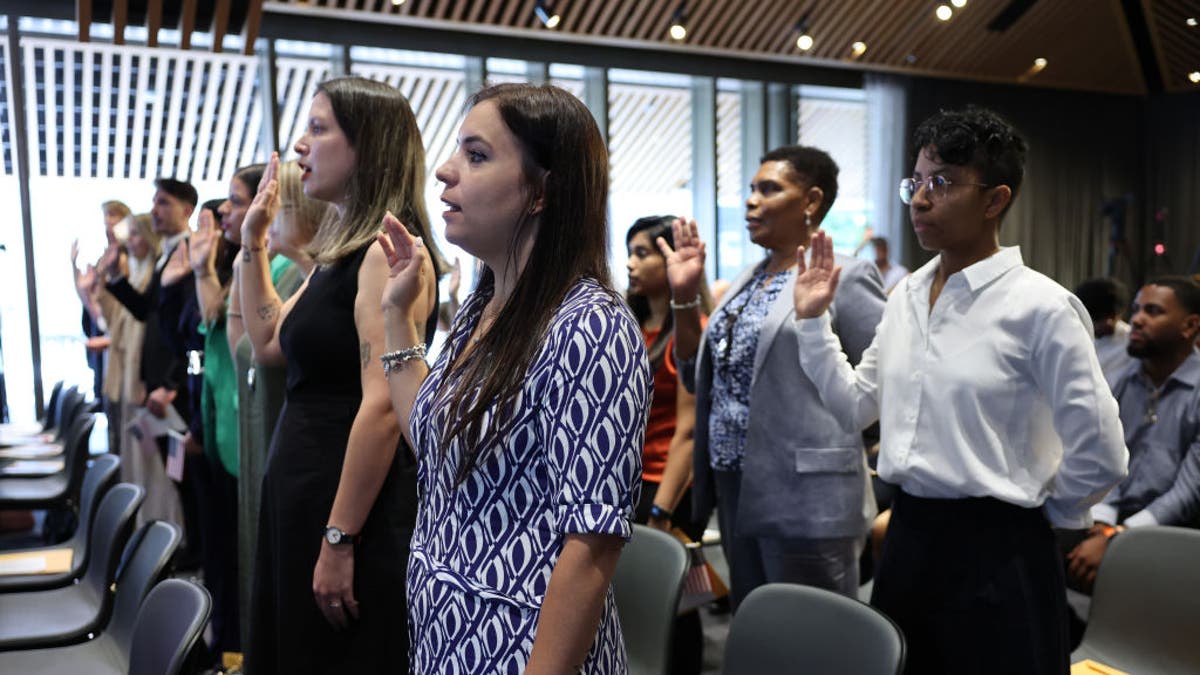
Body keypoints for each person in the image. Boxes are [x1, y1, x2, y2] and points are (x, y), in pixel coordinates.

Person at [790, 106, 1128, 674]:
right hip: (910, 537)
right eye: (916, 182)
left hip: (1000, 546)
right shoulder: (906, 296)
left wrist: (1051, 517)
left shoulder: (1040, 307)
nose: (921, 199)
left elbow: (1101, 449)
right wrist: (811, 322)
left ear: (995, 200)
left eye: (941, 183)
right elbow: (854, 407)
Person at [379, 82, 651, 673]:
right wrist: (397, 317)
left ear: (541, 192)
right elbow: (432, 438)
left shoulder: (590, 326)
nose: (446, 172)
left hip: (523, 650)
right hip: (447, 638)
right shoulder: (486, 306)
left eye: (477, 155)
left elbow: (592, 541)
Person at [240, 76, 440, 674]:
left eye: (319, 129)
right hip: (309, 490)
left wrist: (339, 537)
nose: (301, 146)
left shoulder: (384, 251)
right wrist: (251, 244)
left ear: (367, 147)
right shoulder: (343, 250)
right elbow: (269, 342)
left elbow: (383, 405)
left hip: (347, 502)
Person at [659, 145, 886, 608]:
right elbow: (696, 377)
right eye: (750, 190)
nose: (751, 201)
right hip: (737, 485)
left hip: (808, 493)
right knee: (759, 628)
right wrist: (685, 295)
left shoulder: (850, 274)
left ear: (811, 200)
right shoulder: (748, 278)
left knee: (812, 638)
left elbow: (880, 386)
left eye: (769, 189)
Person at [227, 158, 328, 650]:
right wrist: (250, 245)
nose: (270, 212)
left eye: (279, 200)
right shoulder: (308, 280)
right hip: (292, 460)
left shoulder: (326, 277)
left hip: (320, 473)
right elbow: (259, 343)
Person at [1067, 277, 1200, 590]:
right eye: (1138, 309)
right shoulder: (1123, 383)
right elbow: (1104, 460)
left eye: (1153, 312)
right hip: (1112, 519)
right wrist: (1103, 523)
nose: (1137, 319)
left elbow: (1188, 494)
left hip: (1175, 531)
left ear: (1190, 326)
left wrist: (1119, 538)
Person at [625, 214, 712, 674]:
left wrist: (660, 510)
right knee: (640, 603)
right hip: (630, 483)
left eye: (642, 253)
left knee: (677, 604)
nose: (631, 263)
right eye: (630, 253)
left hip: (666, 486)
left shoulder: (689, 328)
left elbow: (689, 429)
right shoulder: (633, 326)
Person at [1075, 277, 1135, 385]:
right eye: (1100, 318)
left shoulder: (1132, 341)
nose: (1109, 323)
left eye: (1113, 317)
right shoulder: (1073, 338)